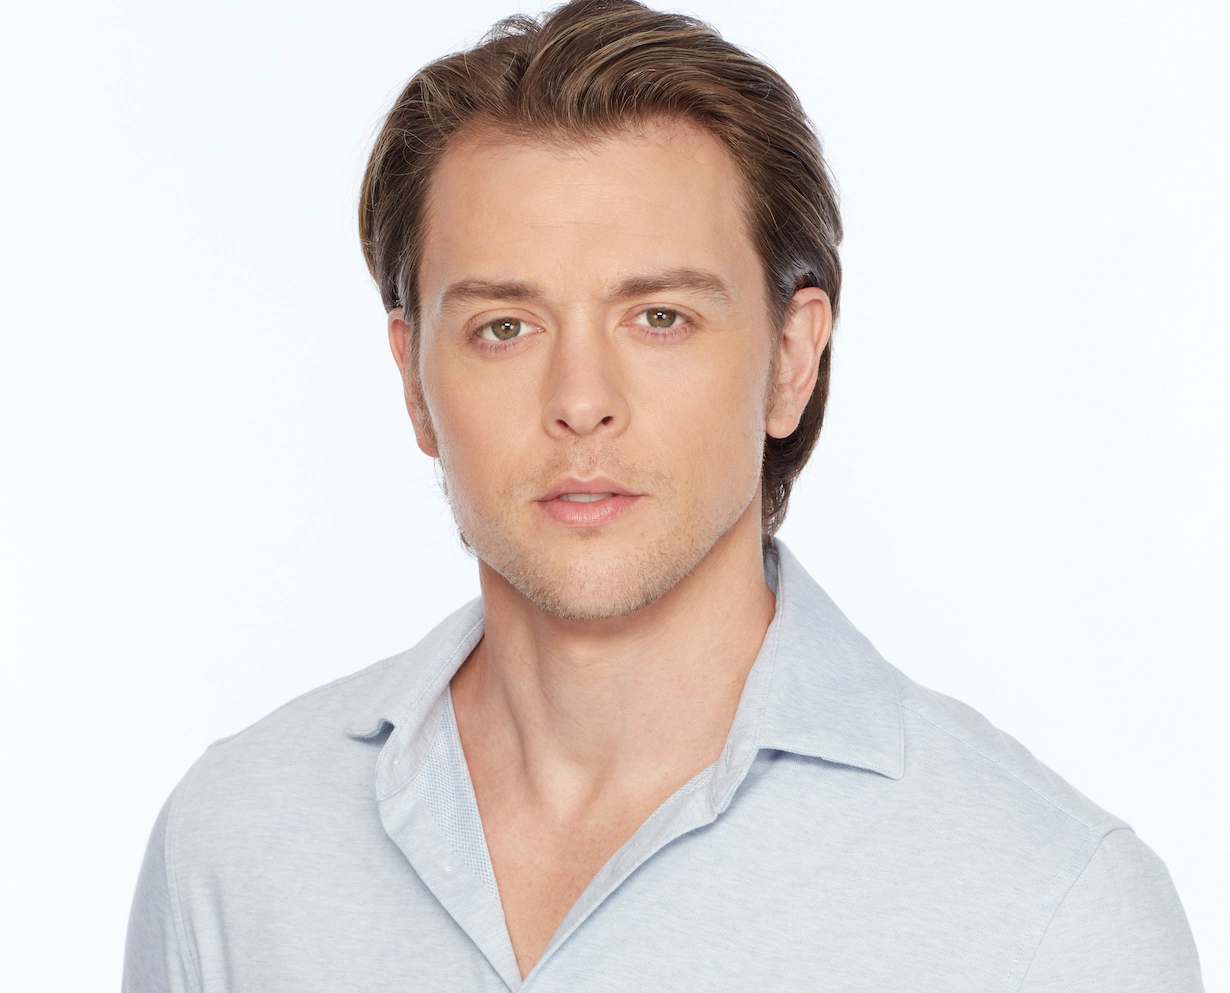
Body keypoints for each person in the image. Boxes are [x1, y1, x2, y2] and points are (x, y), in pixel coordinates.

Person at [122, 1, 1204, 989]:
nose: (581, 402)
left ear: (791, 360)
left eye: (661, 318)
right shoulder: (235, 849)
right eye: (505, 327)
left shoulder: (1052, 912)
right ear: (414, 382)